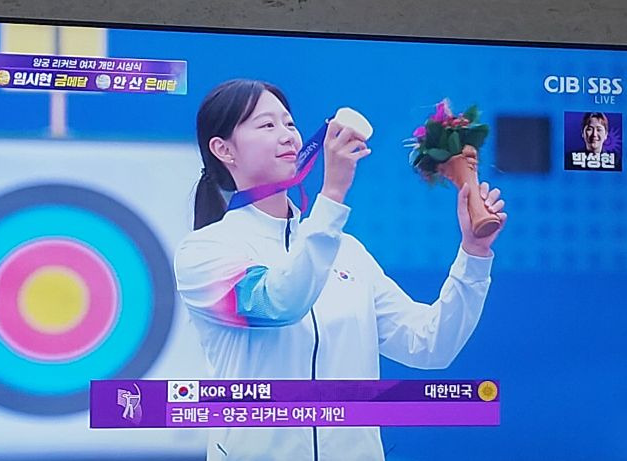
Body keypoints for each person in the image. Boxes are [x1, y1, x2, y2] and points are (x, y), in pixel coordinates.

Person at [174, 79, 508, 461]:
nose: (287, 135)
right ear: (223, 149)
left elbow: (431, 345)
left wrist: (474, 253)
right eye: (266, 125)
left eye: (289, 123)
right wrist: (331, 194)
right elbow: (278, 303)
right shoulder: (205, 252)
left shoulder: (345, 251)